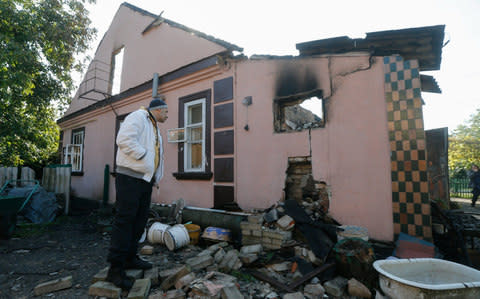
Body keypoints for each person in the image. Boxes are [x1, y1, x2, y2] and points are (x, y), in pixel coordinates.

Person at [106, 98, 168, 290]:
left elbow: (158, 154)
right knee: (124, 221)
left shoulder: (154, 126)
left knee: (139, 221)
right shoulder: (138, 117)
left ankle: (130, 258)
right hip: (130, 178)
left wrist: (155, 174)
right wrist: (143, 156)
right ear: (157, 110)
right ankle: (115, 270)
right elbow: (123, 139)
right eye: (165, 111)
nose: (167, 114)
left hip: (145, 180)